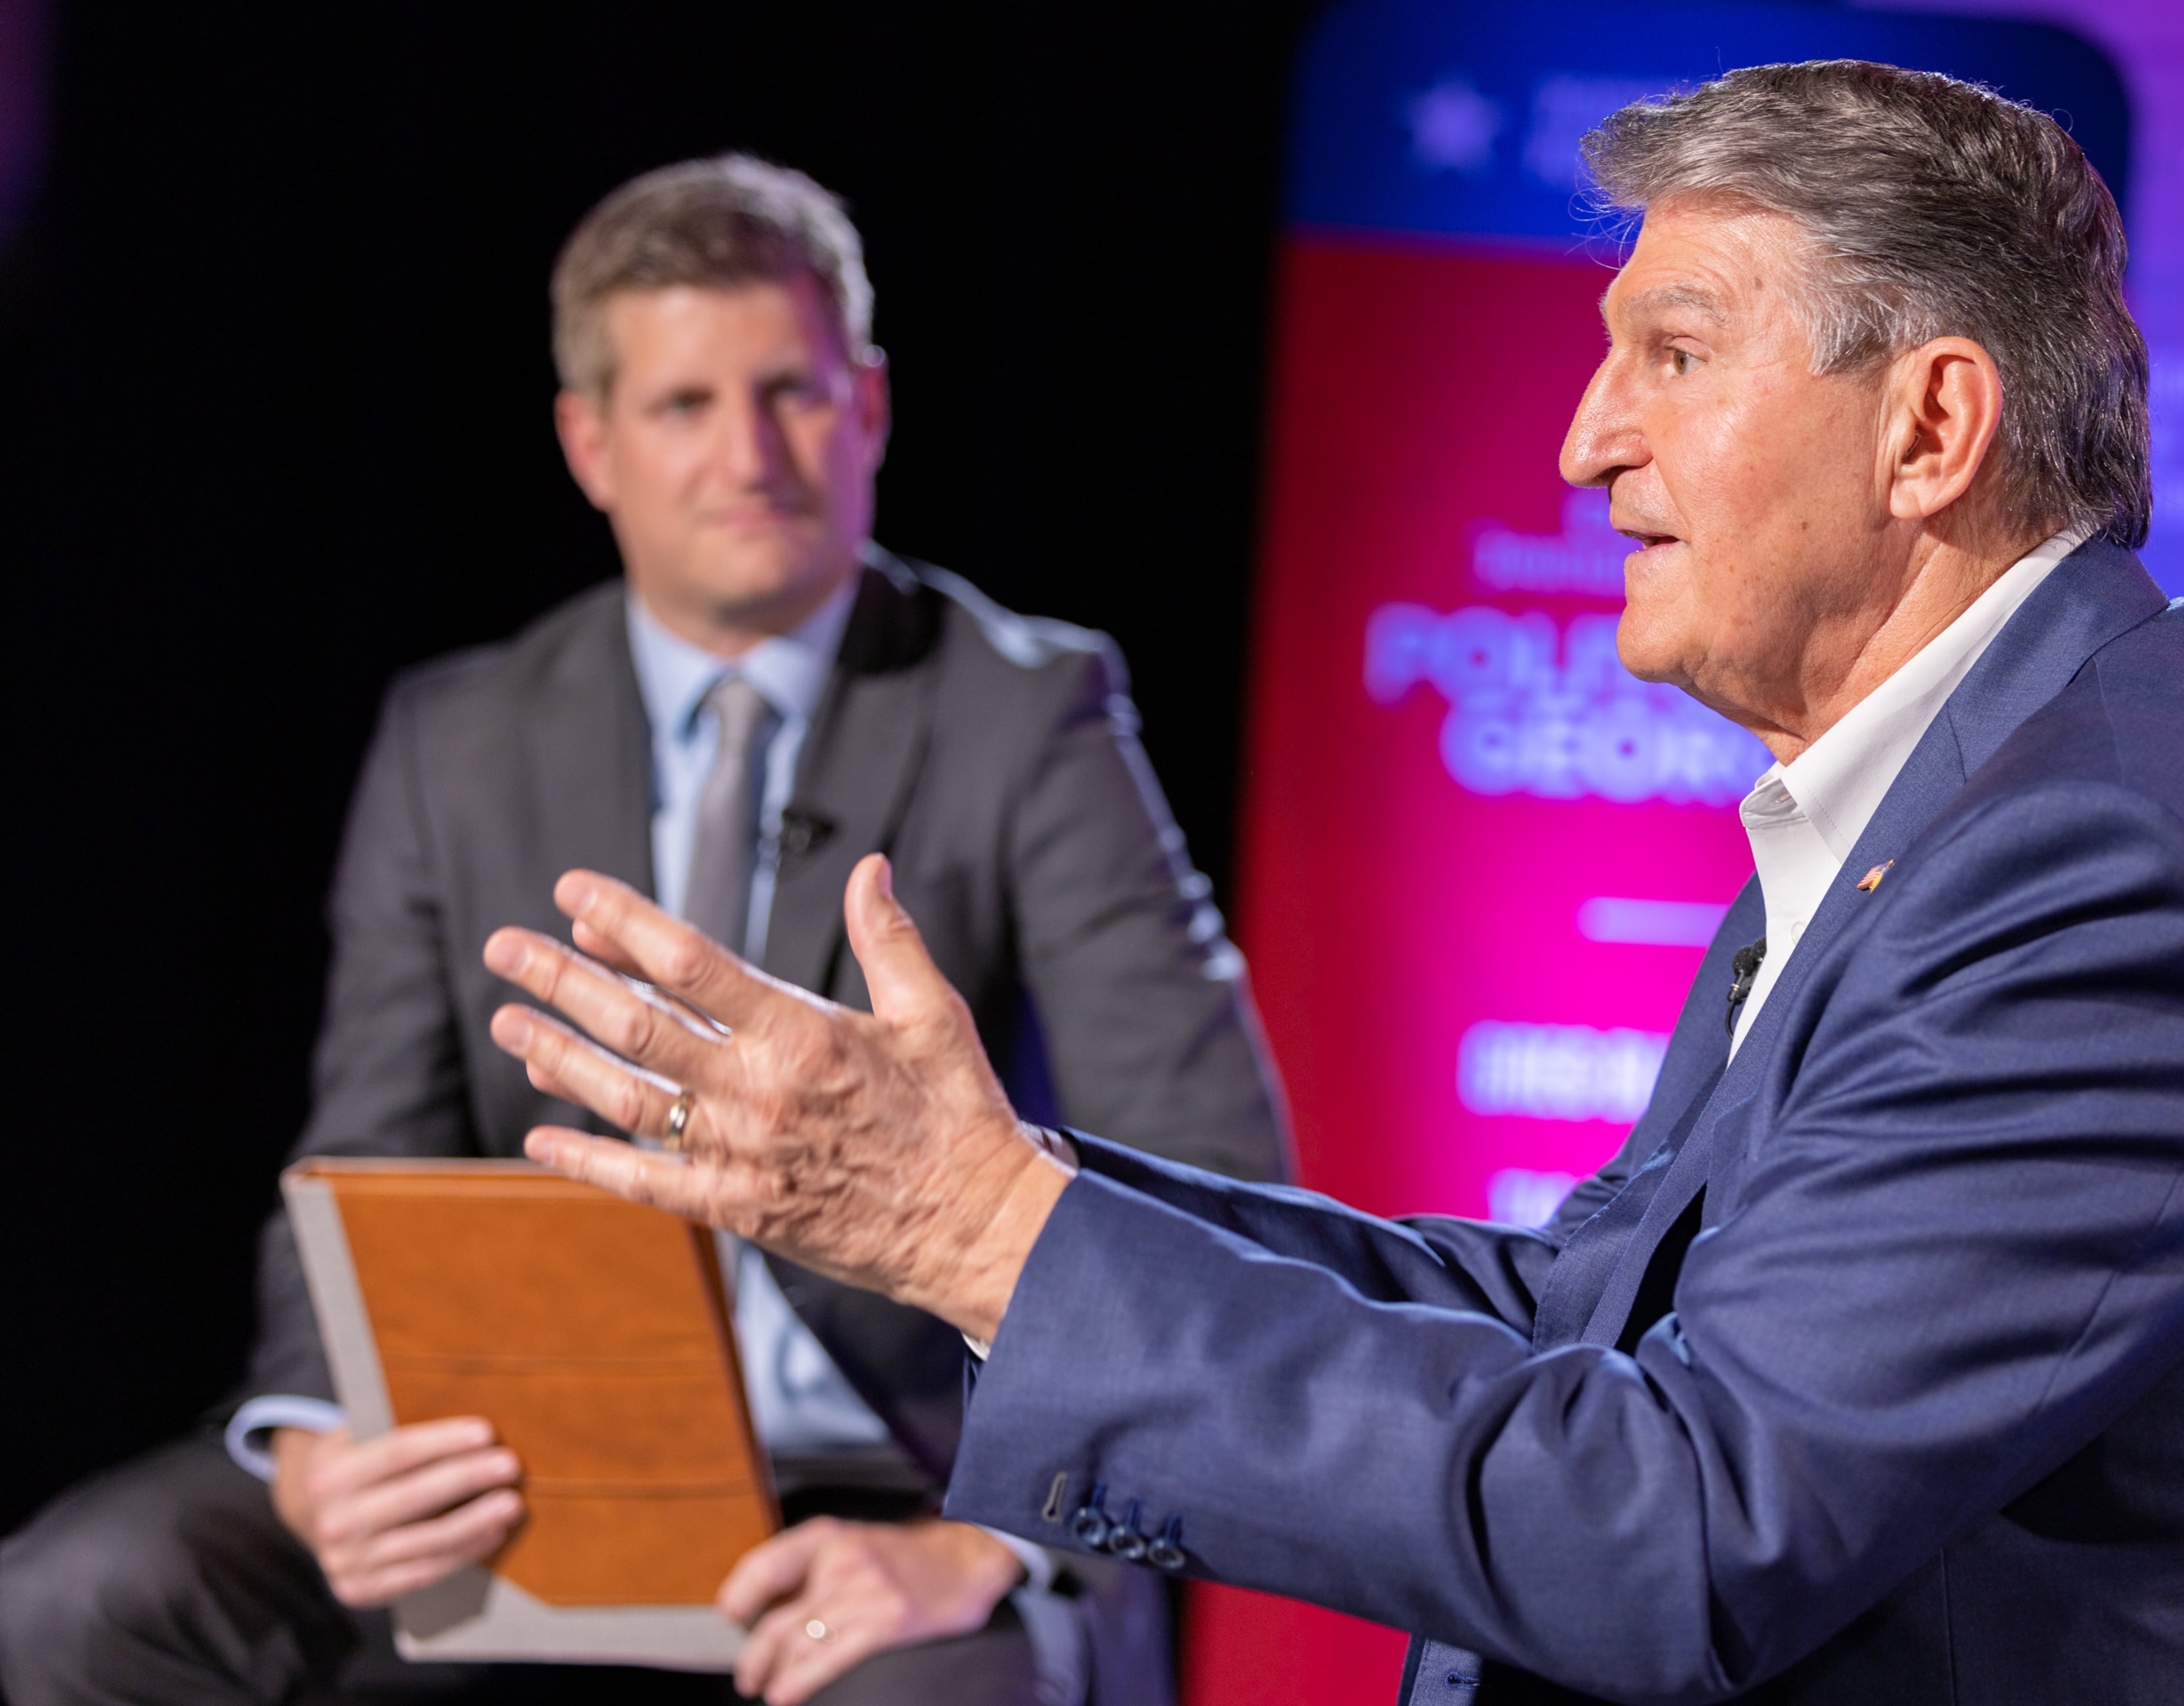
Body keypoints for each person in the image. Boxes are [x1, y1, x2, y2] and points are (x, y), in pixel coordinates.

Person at [462, 66, 2184, 1706]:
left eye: (1674, 355)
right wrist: (1006, 1195)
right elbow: (1582, 1318)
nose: (1586, 443)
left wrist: (987, 1237)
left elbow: (1680, 1534)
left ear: (1930, 426)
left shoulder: (2092, 867)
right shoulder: (1978, 786)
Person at [0, 156, 1291, 1706]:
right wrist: (321, 1445)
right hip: (528, 1463)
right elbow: (363, 1157)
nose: (751, 456)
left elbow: (1213, 1170)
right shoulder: (457, 738)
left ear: (871, 407)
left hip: (904, 1484)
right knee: (76, 1606)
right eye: (685, 406)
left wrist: (989, 1547)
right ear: (590, 444)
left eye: (792, 393)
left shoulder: (1031, 712)